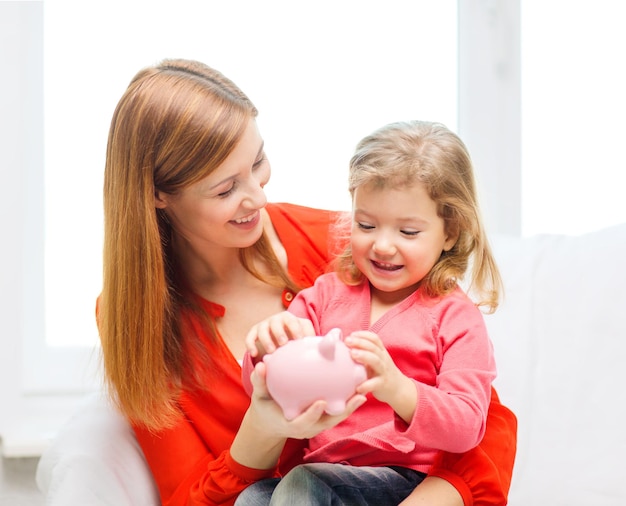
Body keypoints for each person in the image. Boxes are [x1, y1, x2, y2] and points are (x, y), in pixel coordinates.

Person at [97, 58, 516, 506]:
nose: (259, 197)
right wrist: (263, 418)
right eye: (225, 189)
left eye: (258, 161)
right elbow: (189, 496)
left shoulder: (354, 248)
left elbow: (480, 422)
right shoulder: (134, 317)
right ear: (158, 195)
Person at [239, 120, 504, 505]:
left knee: (302, 485)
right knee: (252, 498)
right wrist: (267, 351)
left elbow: (467, 426)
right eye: (366, 224)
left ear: (450, 232)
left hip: (402, 481)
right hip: (323, 474)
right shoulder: (324, 296)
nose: (382, 245)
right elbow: (259, 389)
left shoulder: (455, 317)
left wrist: (397, 388)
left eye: (408, 232)